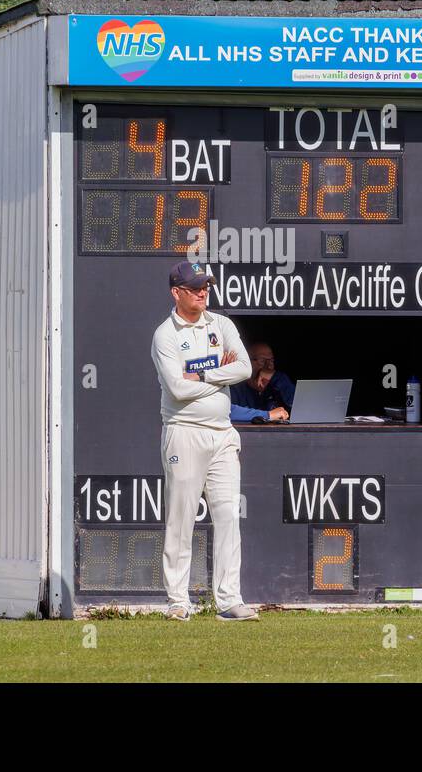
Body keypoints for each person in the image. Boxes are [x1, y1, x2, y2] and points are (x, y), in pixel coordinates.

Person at [151, 260, 260, 622]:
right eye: (196, 287)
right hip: (183, 433)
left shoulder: (222, 324)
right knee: (181, 519)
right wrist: (220, 375)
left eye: (206, 286)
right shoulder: (165, 334)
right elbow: (177, 390)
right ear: (176, 293)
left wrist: (201, 372)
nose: (203, 292)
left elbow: (244, 368)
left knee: (229, 515)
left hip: (222, 434)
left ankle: (229, 600)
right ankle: (177, 601)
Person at [230, 342, 295, 417]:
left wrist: (277, 378)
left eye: (271, 361)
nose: (268, 366)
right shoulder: (235, 387)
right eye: (262, 361)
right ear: (247, 361)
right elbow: (228, 413)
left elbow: (299, 408)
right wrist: (267, 415)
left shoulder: (279, 382)